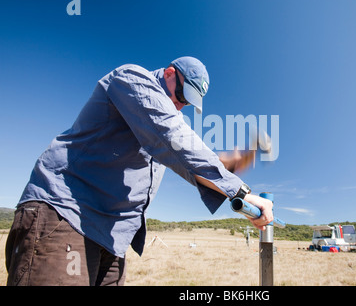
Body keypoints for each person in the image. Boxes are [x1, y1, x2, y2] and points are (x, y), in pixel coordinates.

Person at [5, 56, 274, 286]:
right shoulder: (132, 79)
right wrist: (241, 192)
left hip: (113, 238)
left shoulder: (169, 125)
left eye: (188, 103)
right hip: (66, 215)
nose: (181, 106)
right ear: (170, 73)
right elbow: (173, 138)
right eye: (181, 96)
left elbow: (195, 164)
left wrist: (241, 158)